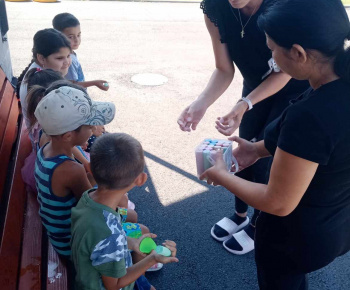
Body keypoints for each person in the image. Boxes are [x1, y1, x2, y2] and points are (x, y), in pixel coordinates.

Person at [200, 0, 350, 288]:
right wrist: (256, 150)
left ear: (298, 53)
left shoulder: (310, 117)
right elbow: (320, 148)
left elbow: (278, 202)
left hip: (295, 241)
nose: (271, 58)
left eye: (272, 50)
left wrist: (220, 174)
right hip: (336, 224)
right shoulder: (337, 86)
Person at [178, 0, 309, 255]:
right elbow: (223, 69)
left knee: (263, 158)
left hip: (290, 90)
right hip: (252, 89)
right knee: (239, 152)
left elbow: (284, 72)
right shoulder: (215, 9)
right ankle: (240, 215)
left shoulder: (278, 7)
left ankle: (260, 223)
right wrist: (200, 103)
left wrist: (244, 104)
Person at [71, 133, 179, 289]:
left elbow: (100, 238)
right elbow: (115, 285)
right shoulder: (110, 236)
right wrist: (152, 259)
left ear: (92, 172)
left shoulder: (88, 198)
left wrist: (132, 242)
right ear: (141, 180)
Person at [33, 82, 116, 259]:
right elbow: (95, 207)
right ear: (68, 135)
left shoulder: (46, 149)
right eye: (90, 126)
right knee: (129, 215)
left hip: (57, 233)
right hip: (70, 244)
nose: (94, 129)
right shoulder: (71, 170)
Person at [18, 28, 72, 134]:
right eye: (60, 58)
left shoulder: (38, 70)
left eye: (68, 56)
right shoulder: (43, 83)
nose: (67, 62)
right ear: (41, 58)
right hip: (50, 137)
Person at [52, 13, 109, 91]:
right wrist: (94, 83)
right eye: (70, 37)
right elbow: (72, 85)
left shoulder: (70, 54)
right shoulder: (68, 60)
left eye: (78, 35)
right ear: (58, 36)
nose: (76, 40)